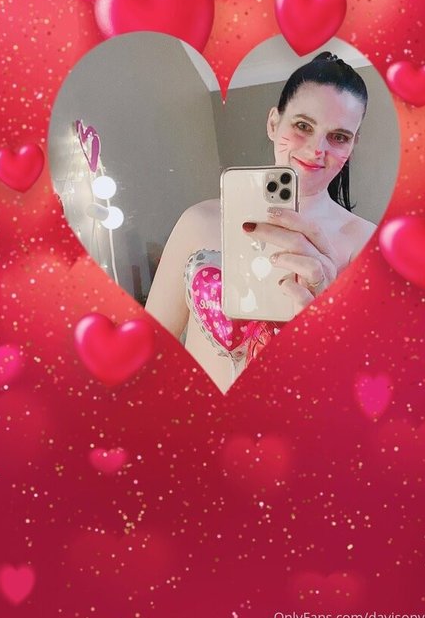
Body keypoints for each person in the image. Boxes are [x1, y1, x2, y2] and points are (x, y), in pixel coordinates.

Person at [145, 51, 377, 393]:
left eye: (339, 136)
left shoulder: (367, 243)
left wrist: (326, 322)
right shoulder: (198, 222)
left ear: (352, 145)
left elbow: (364, 387)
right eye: (303, 126)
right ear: (273, 123)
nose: (317, 149)